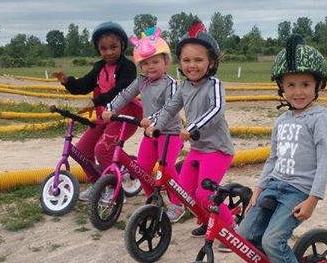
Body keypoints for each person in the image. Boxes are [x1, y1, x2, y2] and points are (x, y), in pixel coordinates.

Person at [234, 35, 327, 263]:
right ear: (281, 87)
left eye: (305, 84)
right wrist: (259, 188)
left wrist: (313, 199)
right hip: (274, 185)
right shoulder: (282, 121)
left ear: (318, 85)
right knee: (246, 233)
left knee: (273, 240)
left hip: (297, 191)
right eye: (291, 85)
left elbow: (325, 161)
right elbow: (273, 158)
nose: (298, 91)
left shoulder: (320, 119)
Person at [145, 21, 234, 231]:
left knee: (205, 194)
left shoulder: (214, 85)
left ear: (211, 63)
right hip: (197, 149)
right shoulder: (184, 86)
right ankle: (208, 221)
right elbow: (170, 108)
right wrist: (156, 124)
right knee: (183, 192)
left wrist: (193, 127)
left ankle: (232, 229)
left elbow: (216, 109)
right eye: (186, 60)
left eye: (198, 60)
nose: (192, 65)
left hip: (217, 149)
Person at [52, 22, 143, 199]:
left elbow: (120, 91)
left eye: (113, 47)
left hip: (124, 117)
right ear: (98, 49)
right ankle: (98, 183)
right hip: (104, 117)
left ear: (122, 45)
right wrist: (68, 82)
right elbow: (84, 85)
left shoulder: (127, 67)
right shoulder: (99, 67)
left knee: (103, 150)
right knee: (82, 150)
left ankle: (113, 188)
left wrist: (96, 101)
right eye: (103, 49)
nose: (108, 52)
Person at [101, 26, 182, 201]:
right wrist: (110, 108)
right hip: (149, 133)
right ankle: (152, 200)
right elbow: (125, 95)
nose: (150, 67)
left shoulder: (171, 84)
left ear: (165, 62)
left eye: (155, 62)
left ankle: (178, 204)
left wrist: (151, 119)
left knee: (166, 169)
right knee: (141, 169)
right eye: (145, 63)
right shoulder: (141, 81)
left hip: (170, 133)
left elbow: (169, 108)